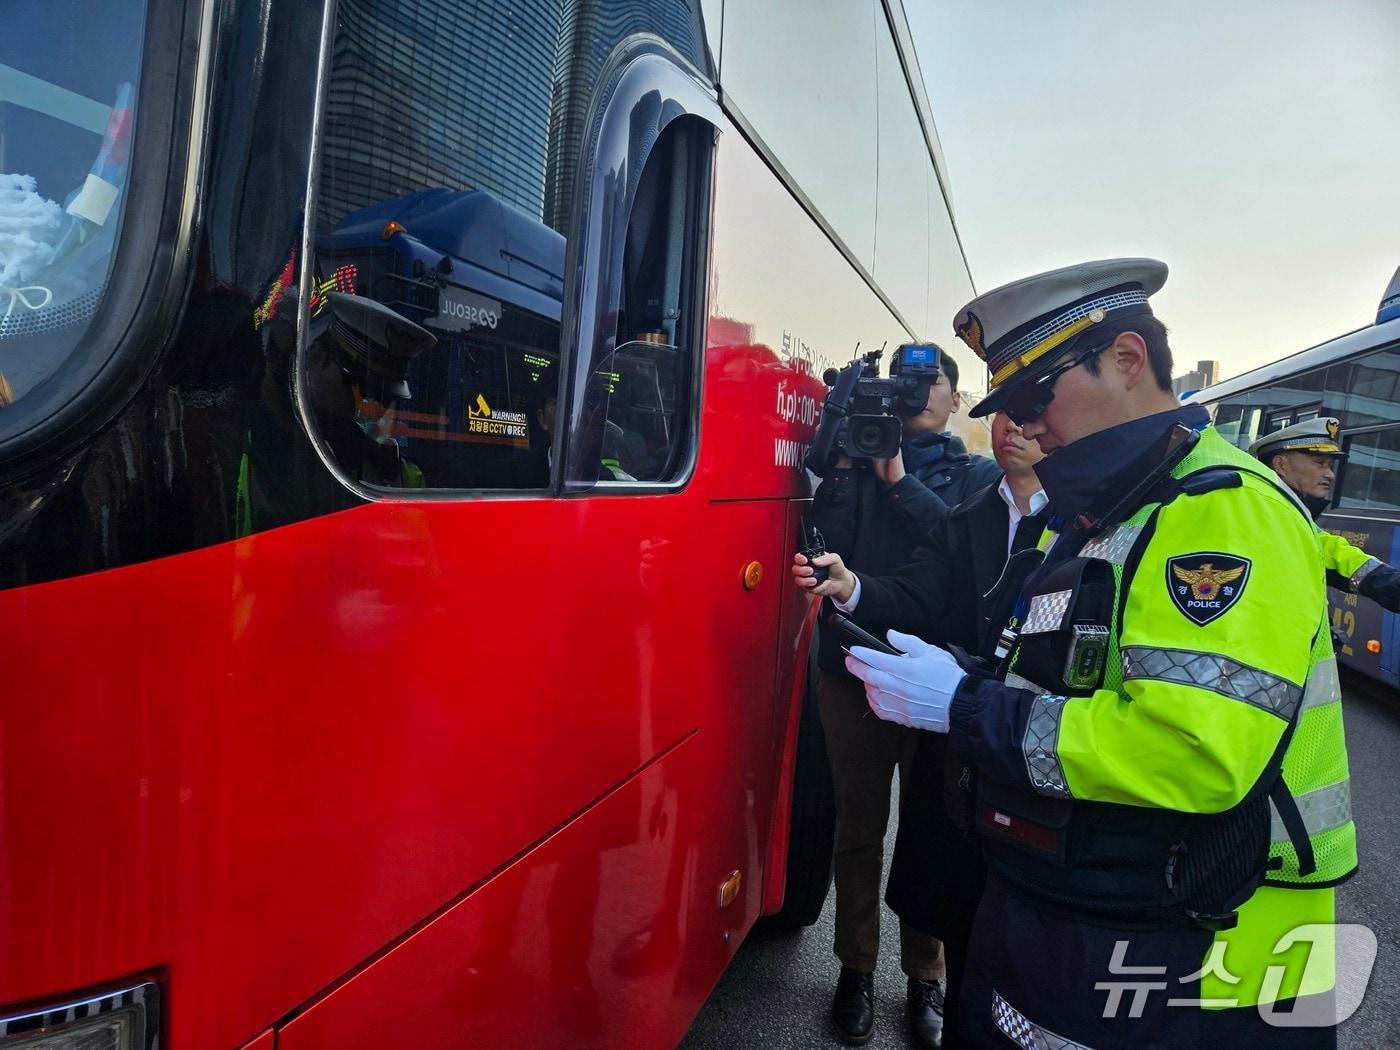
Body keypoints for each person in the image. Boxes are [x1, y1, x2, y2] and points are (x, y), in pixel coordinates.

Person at [844, 259, 1355, 1048]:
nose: (1025, 426)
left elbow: (1190, 754)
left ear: (1125, 358)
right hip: (1095, 907)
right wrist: (970, 678)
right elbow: (1076, 681)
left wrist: (965, 706)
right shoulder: (1114, 508)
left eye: (1033, 397)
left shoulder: (1220, 513)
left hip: (1206, 948)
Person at [794, 410, 1047, 1048]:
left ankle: (926, 978)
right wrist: (850, 581)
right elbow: (914, 583)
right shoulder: (873, 467)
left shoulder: (993, 487)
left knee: (933, 830)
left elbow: (941, 554)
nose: (1016, 427)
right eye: (1006, 413)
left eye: (924, 379)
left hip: (953, 693)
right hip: (862, 666)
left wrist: (901, 480)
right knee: (859, 828)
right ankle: (855, 968)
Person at [1249, 416, 1400, 608]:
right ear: (1281, 465)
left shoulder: (1287, 513)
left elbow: (1328, 552)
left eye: (1329, 466)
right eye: (1319, 463)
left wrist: (1386, 581)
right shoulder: (1261, 511)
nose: (1330, 474)